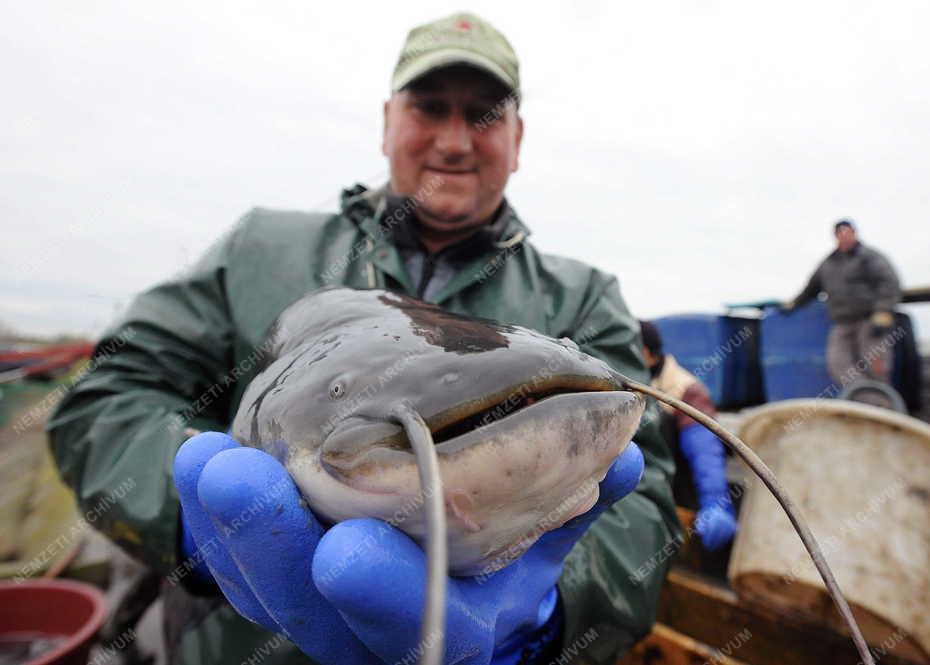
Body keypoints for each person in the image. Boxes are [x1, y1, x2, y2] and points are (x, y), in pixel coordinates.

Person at [47, 12, 681, 665]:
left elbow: (646, 498)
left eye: (485, 115)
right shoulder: (258, 247)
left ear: (518, 140)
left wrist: (546, 619)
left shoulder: (584, 296)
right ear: (387, 124)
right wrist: (194, 523)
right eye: (429, 107)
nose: (456, 140)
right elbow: (108, 396)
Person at [638, 321, 736, 552]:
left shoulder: (685, 390)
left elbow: (705, 451)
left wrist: (715, 502)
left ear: (644, 353)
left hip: (674, 500)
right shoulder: (631, 381)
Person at [784, 219, 902, 386]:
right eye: (840, 234)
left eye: (848, 233)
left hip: (869, 320)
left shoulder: (870, 257)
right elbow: (811, 289)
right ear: (835, 237)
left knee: (875, 366)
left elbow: (888, 282)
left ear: (855, 233)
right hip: (842, 322)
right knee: (837, 363)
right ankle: (865, 400)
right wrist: (794, 304)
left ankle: (880, 405)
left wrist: (883, 311)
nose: (844, 237)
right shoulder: (828, 263)